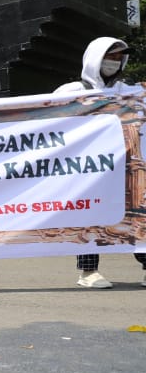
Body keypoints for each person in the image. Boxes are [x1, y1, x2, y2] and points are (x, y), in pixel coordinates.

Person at [54, 37, 146, 288]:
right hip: (87, 170)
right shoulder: (72, 91)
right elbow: (48, 122)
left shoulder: (128, 92)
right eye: (110, 56)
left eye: (119, 58)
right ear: (96, 57)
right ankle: (88, 272)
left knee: (137, 218)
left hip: (124, 167)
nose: (113, 62)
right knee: (91, 218)